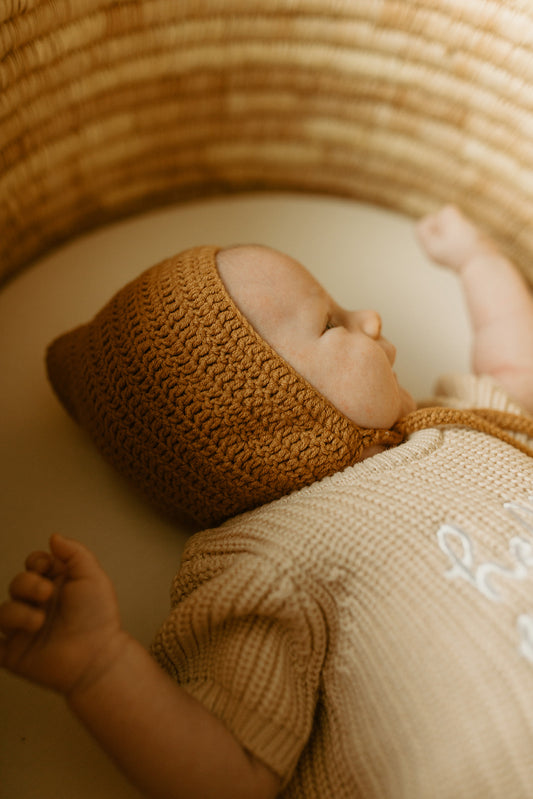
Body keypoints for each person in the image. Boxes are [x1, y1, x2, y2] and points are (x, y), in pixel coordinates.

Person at [2, 205, 533, 798]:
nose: (371, 317)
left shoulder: (453, 426)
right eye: (332, 323)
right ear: (270, 413)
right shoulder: (266, 558)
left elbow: (512, 368)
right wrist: (99, 667)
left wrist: (478, 260)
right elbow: (232, 773)